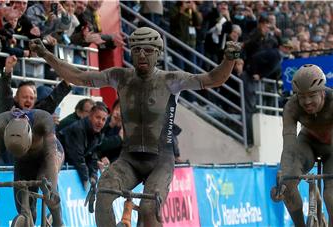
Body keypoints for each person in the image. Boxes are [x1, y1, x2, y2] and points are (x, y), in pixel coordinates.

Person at [29, 26, 241, 227]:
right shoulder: (121, 77)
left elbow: (213, 79)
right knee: (103, 195)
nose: (141, 55)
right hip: (129, 159)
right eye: (136, 49)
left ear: (158, 53)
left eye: (148, 50)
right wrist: (47, 55)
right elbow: (79, 77)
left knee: (149, 209)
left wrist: (229, 60)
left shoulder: (171, 80)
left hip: (160, 160)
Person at [271, 64, 333, 226]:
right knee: (288, 185)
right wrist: (284, 177)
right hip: (308, 143)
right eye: (301, 96)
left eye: (312, 95)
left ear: (322, 92)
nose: (306, 102)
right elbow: (289, 146)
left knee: (331, 194)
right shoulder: (291, 106)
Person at [0, 108, 64, 227]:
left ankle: (58, 221)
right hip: (22, 161)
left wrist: (53, 189)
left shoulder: (43, 120)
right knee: (22, 202)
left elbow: (51, 157)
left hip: (49, 154)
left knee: (46, 184)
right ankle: (29, 217)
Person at [58, 104, 108, 213]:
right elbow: (77, 157)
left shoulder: (97, 134)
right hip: (58, 159)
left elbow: (92, 157)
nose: (100, 122)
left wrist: (94, 176)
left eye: (104, 119)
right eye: (98, 117)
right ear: (90, 116)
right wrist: (86, 178)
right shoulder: (78, 129)